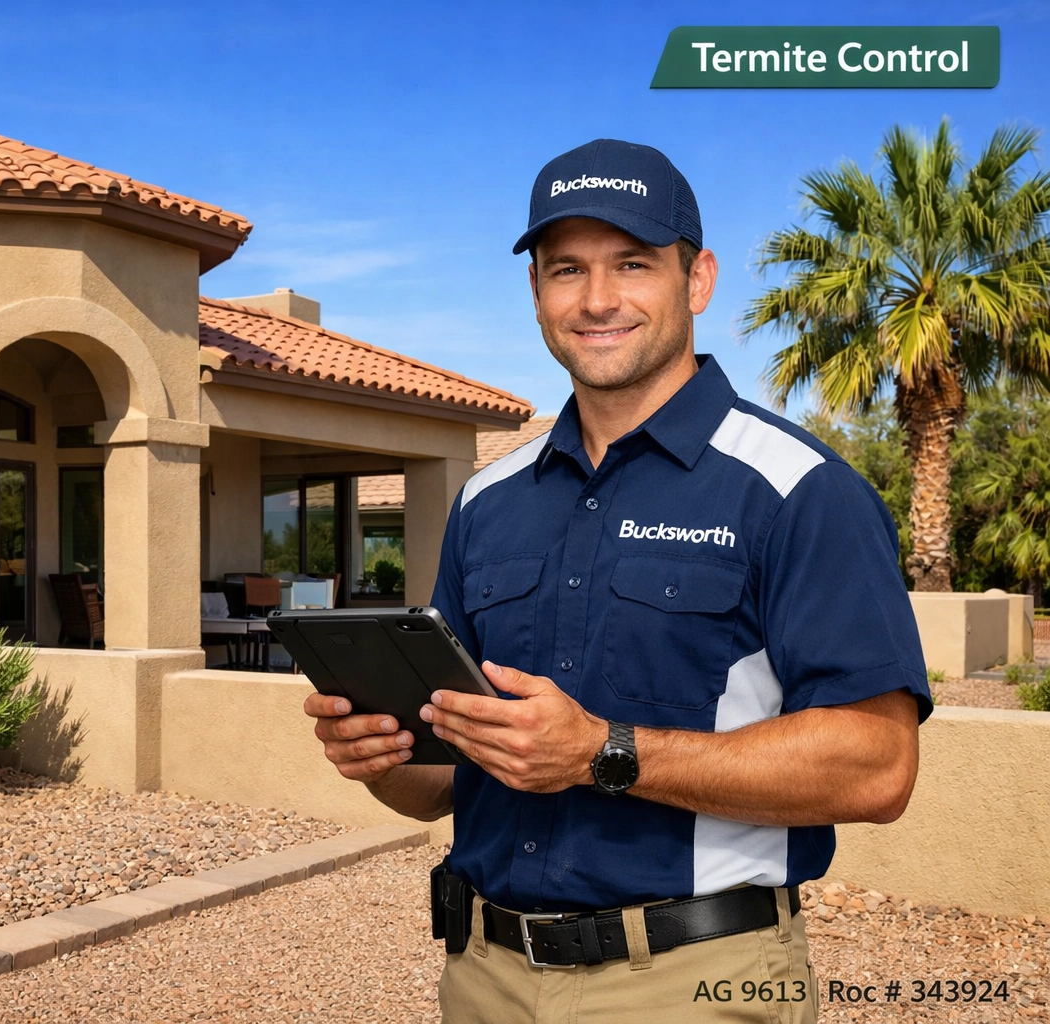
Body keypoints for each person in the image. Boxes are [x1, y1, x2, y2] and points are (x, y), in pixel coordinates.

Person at [304, 138, 931, 1024]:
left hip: (694, 984)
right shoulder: (489, 502)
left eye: (632, 263)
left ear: (698, 279)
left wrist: (605, 751)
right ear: (536, 294)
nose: (597, 300)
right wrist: (378, 760)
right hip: (483, 979)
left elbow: (878, 768)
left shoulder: (798, 490)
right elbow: (448, 782)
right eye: (566, 269)